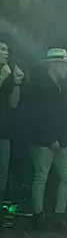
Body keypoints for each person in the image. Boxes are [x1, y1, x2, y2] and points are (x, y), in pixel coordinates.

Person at [25, 48, 67, 230]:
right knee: (41, 176)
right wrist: (49, 139)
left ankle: (58, 214)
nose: (66, 69)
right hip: (43, 140)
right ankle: (38, 215)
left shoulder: (65, 87)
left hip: (62, 140)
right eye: (63, 65)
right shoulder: (39, 86)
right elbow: (36, 116)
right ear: (54, 65)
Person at [0, 38, 24, 226]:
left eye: (7, 49)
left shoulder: (8, 72)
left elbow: (13, 104)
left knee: (2, 173)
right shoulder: (4, 73)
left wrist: (16, 83)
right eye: (2, 49)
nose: (6, 53)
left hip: (4, 130)